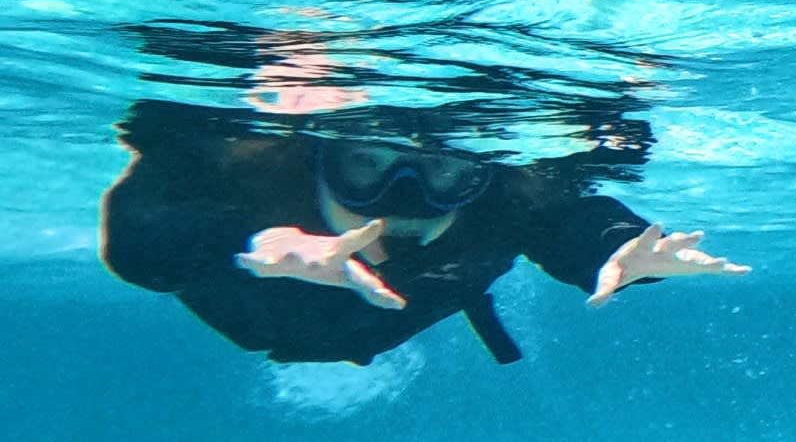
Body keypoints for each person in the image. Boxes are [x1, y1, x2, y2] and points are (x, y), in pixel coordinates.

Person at [100, 100, 746, 366]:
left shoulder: (497, 203)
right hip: (263, 316)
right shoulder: (249, 179)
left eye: (447, 172)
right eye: (365, 165)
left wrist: (622, 250)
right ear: (321, 158)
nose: (406, 197)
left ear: (477, 175)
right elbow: (140, 245)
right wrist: (249, 243)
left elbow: (570, 225)